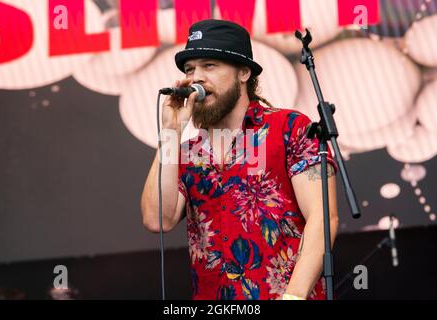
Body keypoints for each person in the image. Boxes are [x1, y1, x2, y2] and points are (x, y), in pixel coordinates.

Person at [141, 19, 339, 300]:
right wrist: (170, 135)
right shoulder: (186, 152)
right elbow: (157, 219)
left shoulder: (289, 127)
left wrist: (294, 296)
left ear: (244, 72)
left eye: (209, 65)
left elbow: (323, 216)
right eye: (189, 69)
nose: (195, 77)